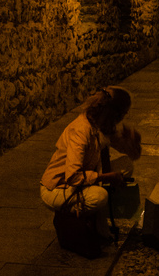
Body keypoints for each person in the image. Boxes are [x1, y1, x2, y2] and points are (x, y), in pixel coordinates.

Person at [40, 86, 142, 239]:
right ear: (114, 113)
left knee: (126, 165)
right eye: (123, 113)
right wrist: (106, 177)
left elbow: (132, 155)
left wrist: (132, 142)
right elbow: (72, 177)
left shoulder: (102, 125)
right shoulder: (81, 131)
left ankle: (98, 223)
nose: (123, 118)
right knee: (99, 196)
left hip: (81, 178)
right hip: (58, 187)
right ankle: (79, 217)